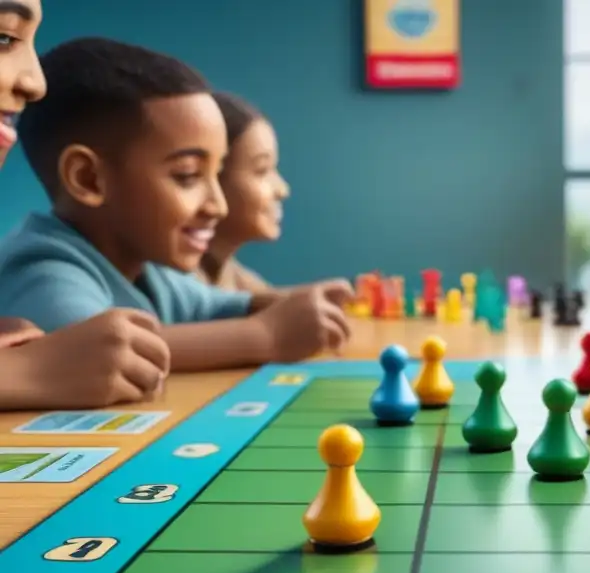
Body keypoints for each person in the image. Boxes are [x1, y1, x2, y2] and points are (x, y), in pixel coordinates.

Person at [0, 37, 353, 372]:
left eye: (218, 172)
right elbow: (96, 351)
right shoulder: (43, 268)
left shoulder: (149, 271)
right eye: (187, 175)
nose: (218, 205)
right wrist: (267, 336)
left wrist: (301, 302)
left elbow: (226, 306)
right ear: (88, 179)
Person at [0, 1, 172, 409]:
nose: (36, 83)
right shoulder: (44, 261)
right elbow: (95, 347)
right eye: (4, 37)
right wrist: (30, 371)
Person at [196, 91, 351, 301]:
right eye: (262, 170)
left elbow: (277, 304)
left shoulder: (232, 275)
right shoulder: (171, 284)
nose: (283, 189)